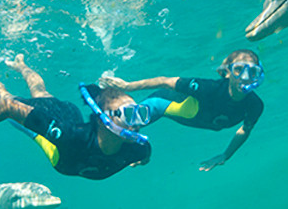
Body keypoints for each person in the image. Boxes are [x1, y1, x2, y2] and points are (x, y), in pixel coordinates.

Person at [0, 54, 150, 180]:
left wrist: (140, 161)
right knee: (7, 97)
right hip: (61, 143)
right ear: (102, 119)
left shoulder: (139, 148)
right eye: (128, 115)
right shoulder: (69, 136)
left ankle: (20, 65)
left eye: (140, 114)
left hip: (70, 116)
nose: (137, 123)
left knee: (41, 93)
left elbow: (145, 155)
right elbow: (7, 107)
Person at [99, 49, 264, 171]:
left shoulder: (255, 105)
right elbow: (165, 81)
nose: (245, 77)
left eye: (253, 71)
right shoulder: (208, 88)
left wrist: (225, 155)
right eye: (239, 69)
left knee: (126, 139)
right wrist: (127, 86)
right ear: (227, 72)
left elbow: (245, 129)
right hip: (163, 103)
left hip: (194, 117)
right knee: (119, 125)